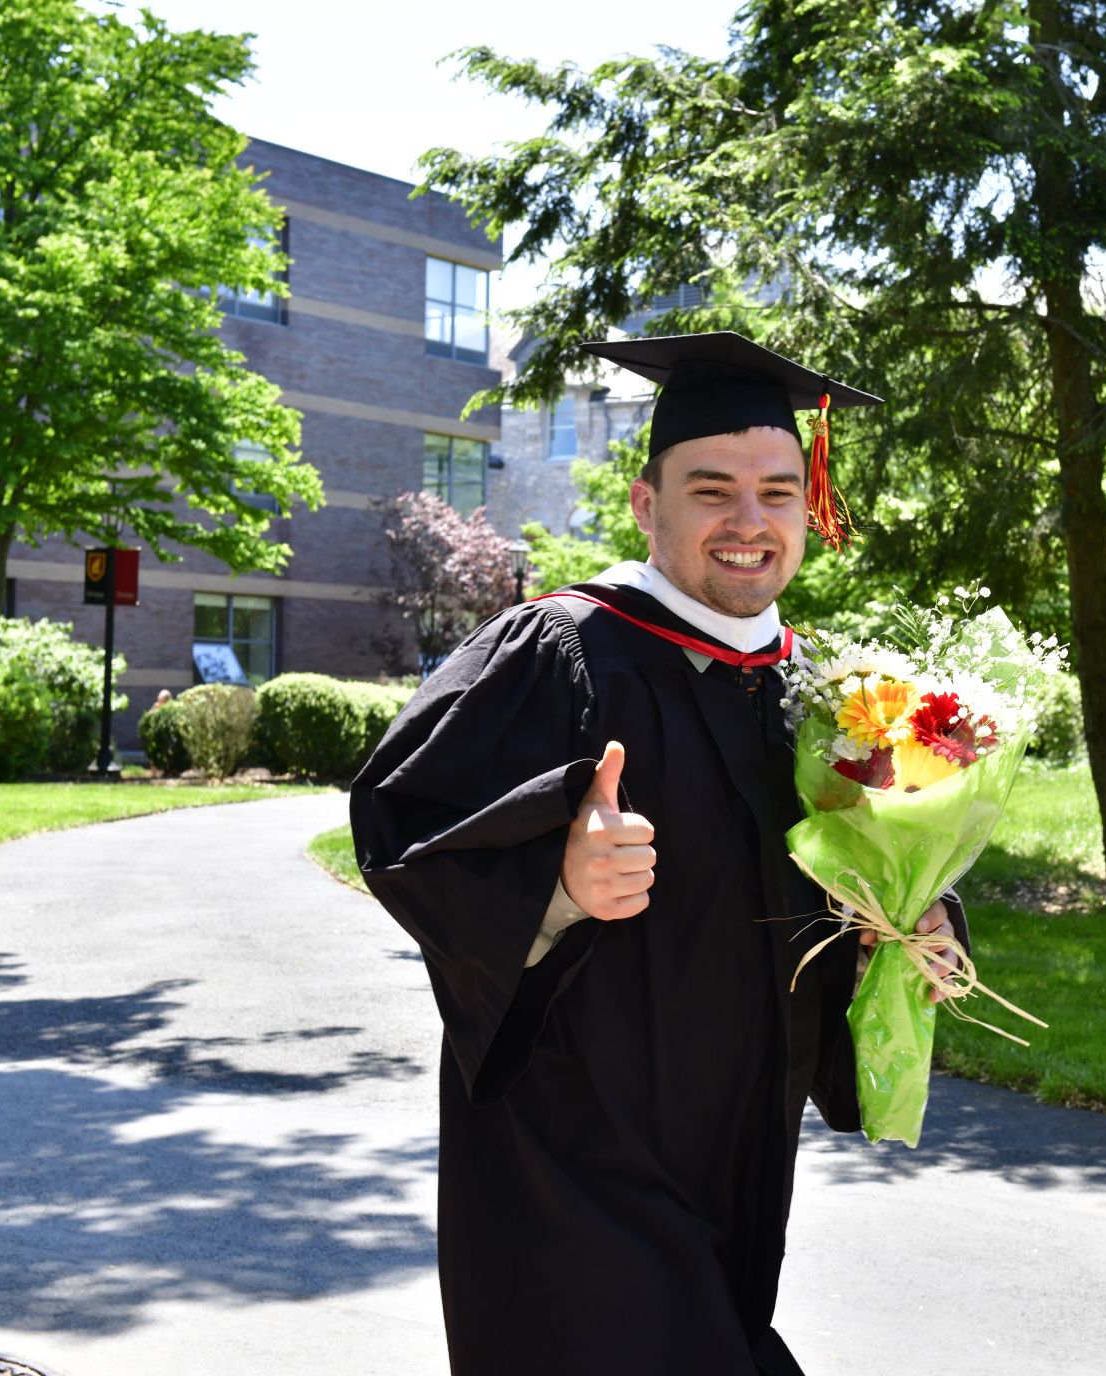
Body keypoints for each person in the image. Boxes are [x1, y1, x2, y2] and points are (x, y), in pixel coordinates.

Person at [350, 331, 965, 1375]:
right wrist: (555, 885)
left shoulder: (823, 696)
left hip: (737, 1157)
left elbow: (836, 890)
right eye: (710, 489)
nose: (748, 521)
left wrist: (902, 931)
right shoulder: (558, 648)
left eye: (777, 492)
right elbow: (402, 825)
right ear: (647, 505)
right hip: (570, 1166)